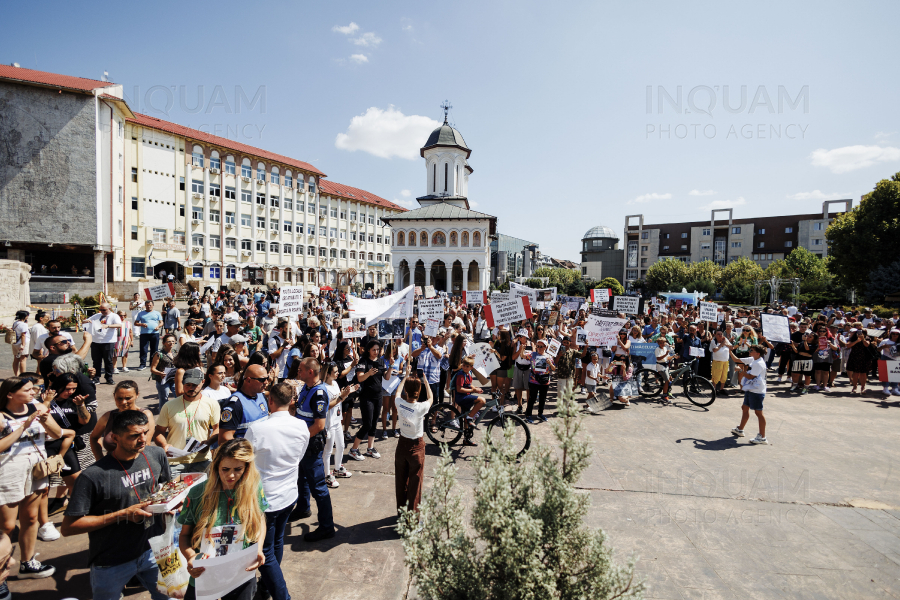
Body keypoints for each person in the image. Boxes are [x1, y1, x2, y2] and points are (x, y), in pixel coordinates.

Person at [62, 410, 171, 600]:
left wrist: (172, 503)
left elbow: (166, 489)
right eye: (134, 436)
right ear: (115, 437)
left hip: (156, 550)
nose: (143, 439)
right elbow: (69, 527)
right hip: (112, 560)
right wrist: (122, 514)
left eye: (145, 432)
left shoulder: (156, 455)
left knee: (172, 596)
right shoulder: (93, 476)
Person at [177, 439, 267, 600]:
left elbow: (260, 519)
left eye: (238, 469)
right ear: (215, 467)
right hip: (203, 575)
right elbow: (184, 536)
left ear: (247, 467)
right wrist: (191, 557)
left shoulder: (254, 487)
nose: (231, 475)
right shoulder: (197, 494)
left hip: (241, 575)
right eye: (225, 469)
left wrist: (258, 548)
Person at [245, 383, 310, 600]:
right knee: (277, 542)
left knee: (266, 551)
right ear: (292, 401)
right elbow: (299, 456)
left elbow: (244, 462)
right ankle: (267, 586)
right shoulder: (301, 426)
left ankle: (281, 595)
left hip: (266, 500)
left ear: (269, 401)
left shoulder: (257, 428)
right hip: (288, 494)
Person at [0, 377, 66, 579]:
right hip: (9, 472)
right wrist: (23, 426)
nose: (34, 392)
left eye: (33, 389)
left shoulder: (37, 407)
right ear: (10, 393)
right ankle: (1, 569)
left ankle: (27, 564)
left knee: (30, 518)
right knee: (8, 526)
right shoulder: (2, 416)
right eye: (28, 390)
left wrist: (45, 419)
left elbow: (57, 434)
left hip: (36, 470)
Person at [154, 368, 220, 476]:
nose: (191, 388)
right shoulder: (169, 406)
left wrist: (208, 442)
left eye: (195, 385)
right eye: (187, 385)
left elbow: (217, 428)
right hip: (175, 462)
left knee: (202, 492)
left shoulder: (212, 404)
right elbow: (159, 432)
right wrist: (164, 444)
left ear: (202, 382)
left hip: (201, 460)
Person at [395, 367, 433, 513]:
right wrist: (426, 382)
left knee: (401, 481)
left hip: (402, 445)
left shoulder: (400, 403)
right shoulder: (420, 407)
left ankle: (401, 514)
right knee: (415, 484)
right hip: (416, 446)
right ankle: (412, 521)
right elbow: (431, 399)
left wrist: (405, 377)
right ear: (418, 391)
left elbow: (398, 392)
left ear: (406, 391)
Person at [90, 381, 155, 460]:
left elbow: (146, 444)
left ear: (137, 395)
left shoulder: (145, 415)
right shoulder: (108, 417)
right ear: (114, 396)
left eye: (128, 398)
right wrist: (100, 459)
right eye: (119, 398)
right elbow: (94, 437)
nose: (123, 402)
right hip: (111, 467)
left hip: (135, 465)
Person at [349, 340, 387, 461]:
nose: (376, 352)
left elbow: (386, 377)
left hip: (378, 396)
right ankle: (353, 449)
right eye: (373, 350)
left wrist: (390, 367)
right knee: (367, 424)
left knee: (374, 423)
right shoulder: (363, 361)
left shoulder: (381, 361)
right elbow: (360, 378)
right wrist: (369, 373)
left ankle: (370, 448)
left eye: (378, 349)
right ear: (369, 350)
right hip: (366, 397)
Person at [321, 361, 357, 487]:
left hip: (337, 420)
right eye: (335, 371)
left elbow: (339, 399)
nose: (337, 373)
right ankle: (326, 475)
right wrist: (341, 397)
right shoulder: (323, 388)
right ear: (328, 373)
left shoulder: (335, 383)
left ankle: (337, 468)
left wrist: (348, 392)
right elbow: (327, 406)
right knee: (328, 450)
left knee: (341, 446)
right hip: (328, 423)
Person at [219, 364, 270, 444]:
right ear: (249, 380)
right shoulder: (234, 404)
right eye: (262, 380)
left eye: (267, 378)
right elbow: (225, 438)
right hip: (247, 454)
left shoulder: (261, 396)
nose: (266, 382)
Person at [729, 344, 769, 445]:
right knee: (744, 408)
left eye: (751, 350)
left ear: (758, 353)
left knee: (759, 413)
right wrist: (729, 351)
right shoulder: (753, 359)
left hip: (757, 391)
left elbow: (750, 376)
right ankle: (740, 429)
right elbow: (737, 359)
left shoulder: (758, 363)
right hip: (751, 389)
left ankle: (762, 437)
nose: (750, 352)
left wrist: (741, 371)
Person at [82, 303, 123, 385]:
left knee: (108, 361)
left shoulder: (114, 316)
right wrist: (86, 321)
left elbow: (119, 325)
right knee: (96, 361)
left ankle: (109, 378)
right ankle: (96, 378)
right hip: (96, 341)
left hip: (108, 341)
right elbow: (84, 321)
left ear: (109, 309)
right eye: (101, 309)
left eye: (104, 310)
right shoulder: (97, 315)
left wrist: (107, 326)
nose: (102, 311)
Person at [524, 339, 554, 423]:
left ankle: (540, 414)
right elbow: (523, 356)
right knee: (532, 398)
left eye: (541, 346)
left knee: (542, 398)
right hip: (534, 380)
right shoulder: (532, 354)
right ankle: (528, 415)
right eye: (538, 346)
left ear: (545, 347)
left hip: (545, 380)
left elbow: (554, 368)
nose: (539, 348)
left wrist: (550, 364)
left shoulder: (549, 356)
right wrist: (521, 349)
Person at [134, 300, 163, 371]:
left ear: (153, 305)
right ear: (145, 306)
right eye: (147, 305)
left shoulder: (157, 313)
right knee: (143, 349)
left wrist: (158, 326)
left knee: (154, 349)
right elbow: (135, 323)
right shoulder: (141, 313)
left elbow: (161, 322)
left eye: (150, 305)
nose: (148, 306)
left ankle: (152, 364)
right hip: (144, 334)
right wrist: (141, 324)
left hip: (155, 334)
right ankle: (142, 364)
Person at [149, 333, 177, 405]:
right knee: (164, 399)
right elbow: (152, 369)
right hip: (163, 380)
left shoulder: (175, 352)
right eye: (169, 341)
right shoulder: (159, 354)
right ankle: (162, 415)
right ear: (163, 343)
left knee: (178, 396)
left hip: (174, 379)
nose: (171, 343)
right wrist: (160, 373)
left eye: (173, 341)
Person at [709, 329, 732, 396]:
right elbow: (715, 350)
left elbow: (731, 347)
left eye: (721, 334)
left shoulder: (725, 340)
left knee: (724, 376)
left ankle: (721, 389)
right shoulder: (713, 341)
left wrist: (725, 343)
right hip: (717, 361)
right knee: (716, 376)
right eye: (718, 334)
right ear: (715, 335)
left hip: (725, 361)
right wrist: (722, 344)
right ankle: (714, 390)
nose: (720, 335)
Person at [654, 336, 675, 403]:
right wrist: (666, 354)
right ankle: (664, 396)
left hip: (666, 365)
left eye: (664, 342)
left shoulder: (665, 348)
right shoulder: (657, 349)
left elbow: (667, 358)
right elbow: (658, 358)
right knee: (667, 380)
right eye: (661, 343)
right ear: (658, 343)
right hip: (661, 366)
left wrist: (673, 357)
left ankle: (668, 392)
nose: (662, 344)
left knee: (670, 378)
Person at [11, 311, 30, 376]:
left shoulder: (15, 323)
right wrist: (23, 345)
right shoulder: (24, 324)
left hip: (15, 342)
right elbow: (23, 335)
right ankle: (23, 376)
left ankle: (16, 375)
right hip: (22, 342)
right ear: (25, 316)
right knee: (23, 360)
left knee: (16, 359)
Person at [114, 309, 133, 374]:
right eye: (121, 315)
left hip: (126, 340)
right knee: (115, 354)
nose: (122, 316)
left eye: (124, 315)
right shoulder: (115, 323)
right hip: (116, 340)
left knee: (125, 354)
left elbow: (130, 332)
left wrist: (132, 341)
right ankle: (115, 368)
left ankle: (124, 367)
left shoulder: (128, 323)